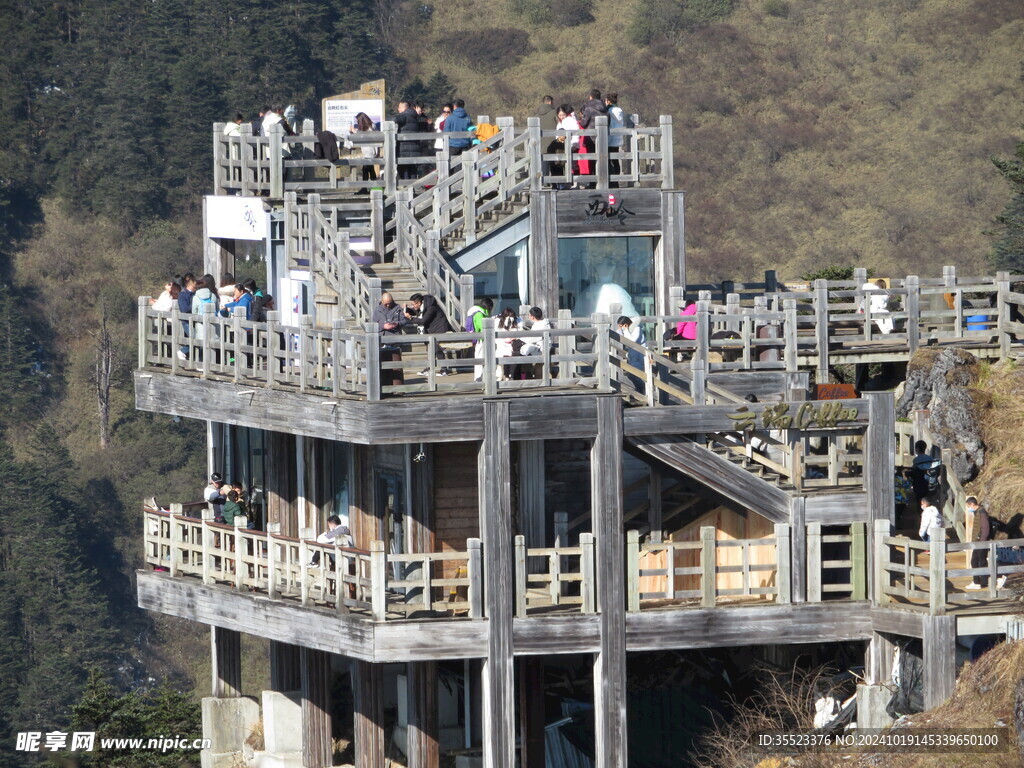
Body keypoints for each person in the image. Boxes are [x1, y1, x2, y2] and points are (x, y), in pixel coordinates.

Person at [405, 293, 452, 375]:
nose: (413, 306)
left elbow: (423, 321)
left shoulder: (431, 307)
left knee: (437, 349)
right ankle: (429, 368)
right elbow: (415, 311)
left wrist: (411, 318)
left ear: (419, 303)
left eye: (413, 304)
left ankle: (444, 369)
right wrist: (406, 309)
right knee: (430, 349)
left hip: (440, 328)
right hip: (431, 329)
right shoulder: (424, 305)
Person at [965, 496, 992, 589]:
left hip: (981, 542)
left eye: (969, 506)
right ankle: (976, 581)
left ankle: (983, 582)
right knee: (974, 561)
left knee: (982, 561)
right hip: (978, 542)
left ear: (972, 504)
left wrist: (982, 542)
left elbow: (985, 529)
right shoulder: (978, 512)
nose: (969, 508)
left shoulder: (982, 513)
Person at [465, 298, 494, 381]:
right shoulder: (479, 314)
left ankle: (480, 379)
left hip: (480, 341)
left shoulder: (479, 313)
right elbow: (482, 327)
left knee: (480, 360)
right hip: (481, 341)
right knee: (480, 361)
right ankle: (479, 380)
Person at [617, 315, 646, 393]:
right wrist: (620, 331)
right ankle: (641, 391)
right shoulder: (627, 330)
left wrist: (625, 330)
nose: (621, 328)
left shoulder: (637, 329)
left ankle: (644, 389)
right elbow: (623, 339)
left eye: (621, 326)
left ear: (626, 324)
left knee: (634, 375)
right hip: (633, 356)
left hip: (639, 355)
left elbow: (632, 341)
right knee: (632, 375)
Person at [394, 100, 422, 181]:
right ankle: (412, 189)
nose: (398, 109)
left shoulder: (404, 115)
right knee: (412, 170)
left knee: (404, 170)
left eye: (399, 107)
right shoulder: (414, 116)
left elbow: (395, 119)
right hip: (415, 147)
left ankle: (406, 189)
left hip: (404, 148)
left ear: (404, 108)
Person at [350, 112, 379, 188]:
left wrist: (354, 131)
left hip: (369, 151)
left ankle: (367, 188)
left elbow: (363, 136)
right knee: (369, 169)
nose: (357, 122)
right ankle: (374, 187)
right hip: (368, 151)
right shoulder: (371, 126)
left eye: (358, 121)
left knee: (366, 170)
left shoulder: (370, 127)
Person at [555, 104, 581, 188]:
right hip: (565, 145)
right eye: (560, 115)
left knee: (572, 164)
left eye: (563, 115)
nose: (561, 117)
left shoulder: (569, 120)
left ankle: (573, 182)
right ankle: (571, 182)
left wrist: (573, 143)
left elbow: (576, 133)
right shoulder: (561, 122)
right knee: (569, 164)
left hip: (571, 145)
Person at [604, 93, 626, 186]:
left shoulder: (609, 110)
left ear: (608, 101)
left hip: (609, 137)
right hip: (617, 138)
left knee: (608, 160)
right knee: (615, 160)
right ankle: (616, 180)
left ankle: (611, 180)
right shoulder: (619, 110)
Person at [495, 307, 521, 380]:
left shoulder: (517, 321)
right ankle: (500, 376)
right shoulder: (498, 321)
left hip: (513, 345)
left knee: (511, 360)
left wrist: (514, 338)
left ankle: (509, 376)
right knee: (500, 361)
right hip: (502, 344)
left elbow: (519, 332)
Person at [177, 273, 197, 360]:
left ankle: (194, 357)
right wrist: (194, 304)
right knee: (194, 338)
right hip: (186, 321)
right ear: (189, 285)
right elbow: (184, 309)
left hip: (195, 320)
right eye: (194, 286)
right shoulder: (182, 295)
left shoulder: (194, 294)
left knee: (198, 337)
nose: (195, 288)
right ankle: (182, 351)